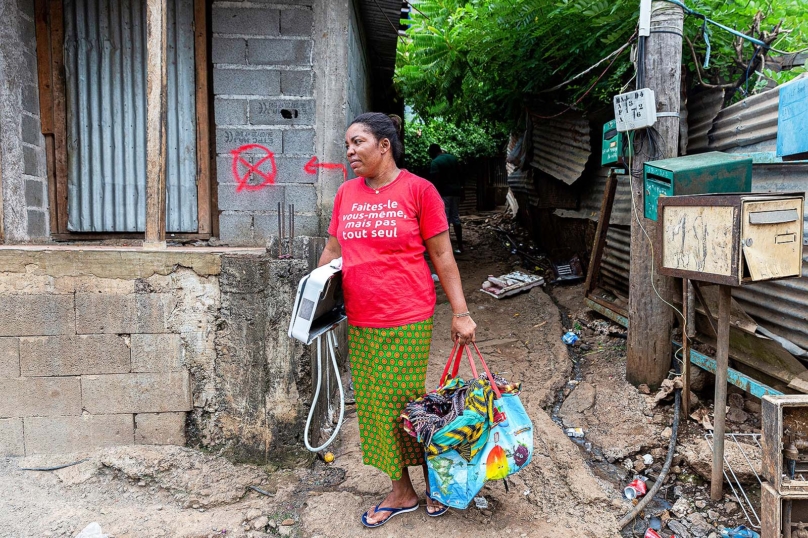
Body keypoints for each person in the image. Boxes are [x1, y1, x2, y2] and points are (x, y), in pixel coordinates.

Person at [318, 113, 477, 528]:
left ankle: (433, 483)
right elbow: (333, 252)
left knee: (407, 403)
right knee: (374, 406)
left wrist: (461, 313)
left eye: (358, 142)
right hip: (361, 319)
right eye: (347, 145)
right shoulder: (346, 195)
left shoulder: (419, 191)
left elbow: (443, 257)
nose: (349, 151)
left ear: (384, 145)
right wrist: (315, 306)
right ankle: (402, 489)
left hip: (406, 316)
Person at [428, 143, 464, 254]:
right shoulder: (452, 158)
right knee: (455, 218)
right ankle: (460, 246)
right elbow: (461, 175)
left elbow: (435, 180)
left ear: (433, 152)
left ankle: (446, 249)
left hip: (444, 194)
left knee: (445, 219)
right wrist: (462, 191)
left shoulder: (435, 162)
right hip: (457, 192)